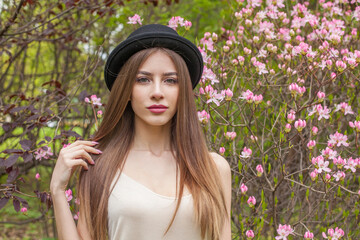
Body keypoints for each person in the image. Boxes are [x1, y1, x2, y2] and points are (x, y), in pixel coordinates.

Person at [50, 24, 231, 240]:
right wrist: (58, 191)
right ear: (127, 90)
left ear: (182, 92)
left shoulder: (213, 168)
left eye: (170, 80)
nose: (157, 92)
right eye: (143, 79)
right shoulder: (99, 166)